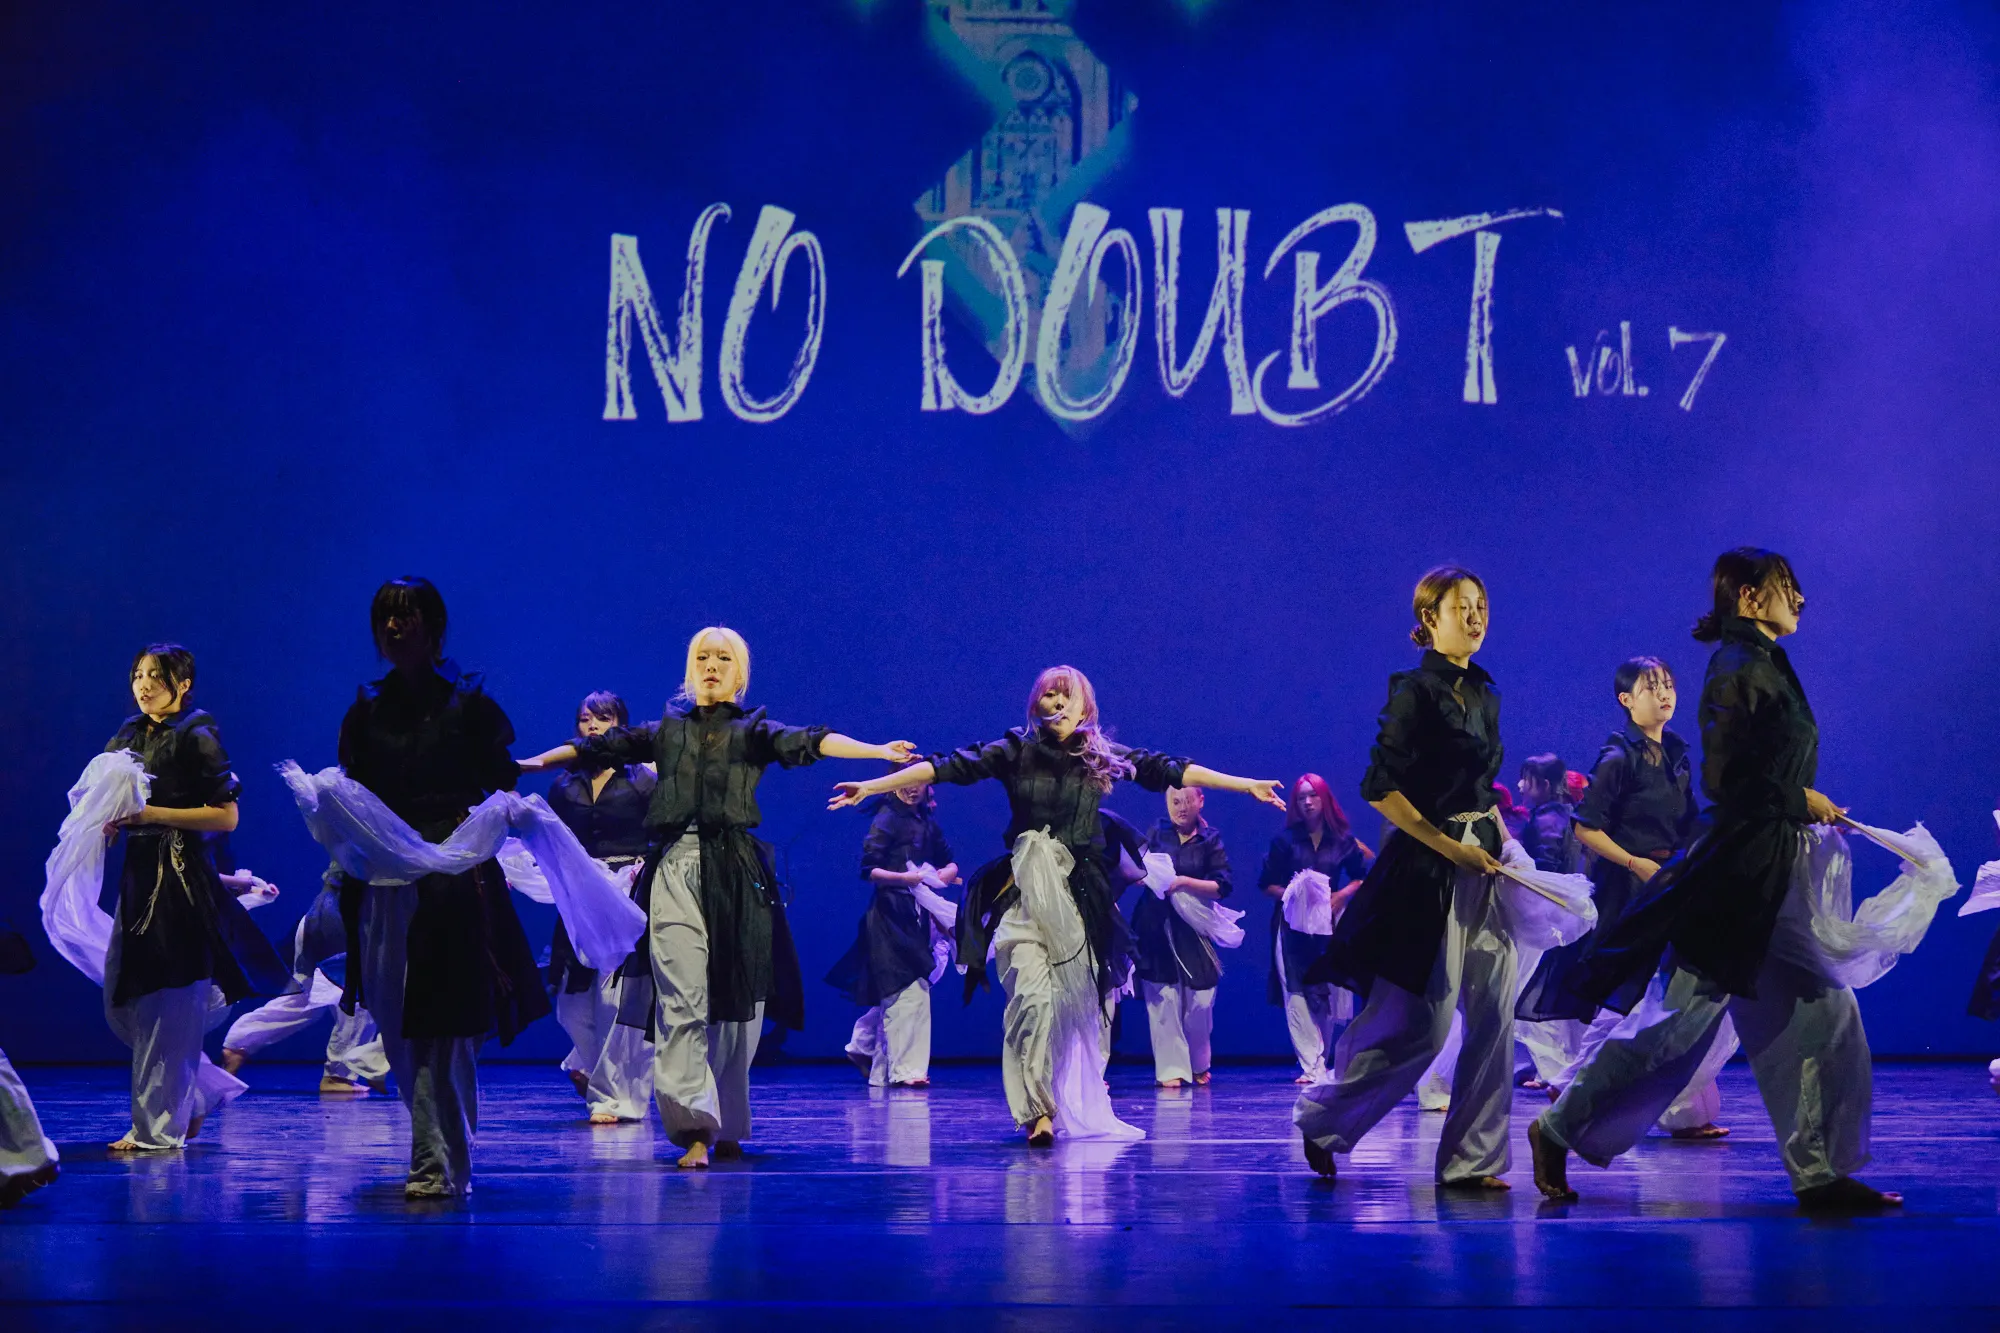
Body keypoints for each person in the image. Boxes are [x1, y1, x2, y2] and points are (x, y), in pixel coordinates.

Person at [1529, 549, 1900, 1212]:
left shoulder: (1763, 661)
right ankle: (1556, 1127)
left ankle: (1820, 1173)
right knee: (1673, 1026)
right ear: (1750, 597)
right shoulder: (1735, 667)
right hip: (1736, 877)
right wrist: (1797, 798)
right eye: (1787, 587)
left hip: (1772, 868)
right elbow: (1726, 779)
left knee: (1827, 1012)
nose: (1800, 598)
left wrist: (1800, 803)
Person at [829, 665, 1284, 1146]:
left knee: (1071, 1010)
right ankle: (1036, 1112)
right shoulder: (1014, 750)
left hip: (1079, 901)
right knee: (1031, 1000)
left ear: (1085, 707)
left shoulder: (1100, 756)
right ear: (1036, 704)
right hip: (1023, 895)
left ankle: (1060, 1097)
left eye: (1068, 695)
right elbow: (945, 767)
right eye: (1049, 695)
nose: (1058, 702)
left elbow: (1171, 769)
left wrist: (1244, 784)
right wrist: (873, 786)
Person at [520, 627, 915, 1169]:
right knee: (680, 998)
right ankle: (695, 1128)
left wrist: (877, 753)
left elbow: (813, 740)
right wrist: (531, 764)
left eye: (722, 658)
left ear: (739, 673)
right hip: (675, 869)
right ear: (691, 669)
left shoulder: (753, 731)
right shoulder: (666, 731)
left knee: (735, 1008)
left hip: (734, 874)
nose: (711, 665)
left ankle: (726, 1123)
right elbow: (595, 747)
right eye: (702, 657)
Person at [1295, 567, 1518, 1189]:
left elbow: (1481, 790)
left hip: (1486, 859)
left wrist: (1506, 844)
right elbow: (1380, 789)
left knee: (1497, 1013)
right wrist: (1450, 848)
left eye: (1481, 605)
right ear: (1429, 619)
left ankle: (1474, 1159)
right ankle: (1326, 1118)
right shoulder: (1414, 692)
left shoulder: (1486, 693)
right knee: (1427, 1023)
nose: (1475, 616)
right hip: (1432, 866)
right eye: (1461, 606)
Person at [335, 577, 548, 1198]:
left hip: (453, 877)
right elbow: (352, 791)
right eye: (385, 616)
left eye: (407, 615)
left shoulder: (467, 703)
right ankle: (446, 1154)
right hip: (386, 876)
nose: (394, 626)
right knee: (400, 1023)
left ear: (433, 626)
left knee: (444, 1021)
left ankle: (435, 1161)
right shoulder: (368, 707)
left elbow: (499, 780)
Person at [1516, 657, 1728, 1139]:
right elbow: (1585, 827)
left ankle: (1670, 1106)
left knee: (1663, 994)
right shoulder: (1618, 757)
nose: (1664, 693)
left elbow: (1689, 823)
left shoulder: (1674, 754)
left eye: (1669, 684)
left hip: (1667, 882)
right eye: (1651, 687)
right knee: (1630, 993)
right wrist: (1635, 863)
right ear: (1627, 700)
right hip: (1631, 887)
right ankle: (1572, 1085)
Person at [101, 645, 288, 1152]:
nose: (143, 685)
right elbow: (108, 792)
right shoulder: (131, 732)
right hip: (141, 880)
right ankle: (199, 1094)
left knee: (169, 1006)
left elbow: (226, 816)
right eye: (137, 675)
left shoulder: (197, 731)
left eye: (156, 676)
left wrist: (151, 815)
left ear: (182, 684)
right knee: (128, 1004)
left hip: (180, 883)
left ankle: (158, 1128)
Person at [544, 691, 656, 1125]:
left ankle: (613, 1095)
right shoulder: (564, 785)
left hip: (627, 895)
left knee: (615, 998)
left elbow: (664, 832)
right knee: (570, 1003)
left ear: (621, 725)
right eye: (585, 719)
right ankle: (592, 1068)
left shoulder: (643, 779)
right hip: (580, 899)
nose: (592, 726)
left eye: (603, 718)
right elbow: (551, 840)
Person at [825, 772, 959, 1088]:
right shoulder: (887, 819)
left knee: (906, 987)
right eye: (906, 783)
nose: (912, 789)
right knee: (906, 988)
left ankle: (865, 1047)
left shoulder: (925, 822)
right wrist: (904, 879)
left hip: (917, 914)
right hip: (890, 914)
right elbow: (870, 870)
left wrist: (944, 873)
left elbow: (949, 861)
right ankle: (905, 1070)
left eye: (919, 783)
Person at [221, 867, 389, 1095]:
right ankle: (339, 1075)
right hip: (344, 920)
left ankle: (239, 1043)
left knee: (305, 999)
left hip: (321, 916)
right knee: (358, 999)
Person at [1259, 775, 1373, 1084]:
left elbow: (1360, 877)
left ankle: (1321, 1059)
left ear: (1324, 799)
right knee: (1296, 991)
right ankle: (1311, 1064)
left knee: (1325, 991)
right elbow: (1266, 884)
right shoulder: (1285, 841)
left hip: (1328, 925)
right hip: (1291, 927)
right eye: (1301, 797)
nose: (1307, 802)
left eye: (1313, 796)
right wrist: (1293, 894)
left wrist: (1341, 895)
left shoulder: (1343, 841)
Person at [1136, 786, 1233, 1088]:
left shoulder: (1209, 839)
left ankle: (1198, 1062)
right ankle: (1171, 1070)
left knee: (1200, 1000)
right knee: (1163, 996)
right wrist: (1144, 877)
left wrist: (1184, 882)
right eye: (1175, 801)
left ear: (1200, 801)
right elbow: (1140, 868)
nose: (1181, 807)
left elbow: (1222, 886)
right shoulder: (1157, 831)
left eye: (1187, 801)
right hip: (1156, 922)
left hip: (1193, 927)